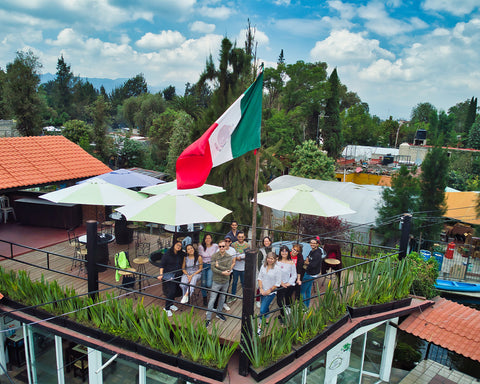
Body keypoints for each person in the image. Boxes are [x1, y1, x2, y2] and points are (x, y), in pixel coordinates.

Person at [205, 240, 232, 327]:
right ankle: (208, 318)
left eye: (223, 246)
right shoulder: (214, 256)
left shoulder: (229, 257)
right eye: (220, 246)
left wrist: (218, 266)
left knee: (222, 298)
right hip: (216, 281)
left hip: (225, 281)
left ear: (226, 247)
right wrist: (222, 272)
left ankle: (219, 313)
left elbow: (228, 268)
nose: (221, 248)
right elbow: (213, 269)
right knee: (212, 299)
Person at [157, 241, 185, 316]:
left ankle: (171, 304)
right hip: (169, 275)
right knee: (171, 291)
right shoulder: (167, 254)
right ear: (174, 245)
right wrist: (161, 274)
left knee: (175, 290)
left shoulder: (180, 254)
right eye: (177, 245)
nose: (178, 246)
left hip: (178, 275)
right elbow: (162, 265)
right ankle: (166, 308)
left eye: (180, 246)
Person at [300, 238, 325, 308]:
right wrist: (307, 262)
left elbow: (313, 265)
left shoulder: (317, 254)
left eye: (314, 243)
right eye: (311, 243)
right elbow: (308, 257)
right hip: (311, 273)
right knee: (308, 290)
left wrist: (307, 263)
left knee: (301, 291)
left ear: (317, 244)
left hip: (310, 274)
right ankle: (307, 306)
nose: (312, 244)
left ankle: (304, 307)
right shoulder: (313, 251)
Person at [258, 252, 281, 321]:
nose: (270, 260)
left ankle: (260, 325)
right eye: (268, 258)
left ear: (274, 260)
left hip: (271, 292)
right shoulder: (263, 266)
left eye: (272, 259)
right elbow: (260, 278)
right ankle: (267, 316)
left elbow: (278, 283)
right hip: (262, 290)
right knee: (265, 306)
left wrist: (270, 290)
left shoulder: (277, 269)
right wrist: (261, 288)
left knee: (262, 310)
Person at [276, 245, 296, 323]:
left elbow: (294, 274)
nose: (284, 253)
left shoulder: (291, 263)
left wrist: (288, 283)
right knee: (279, 301)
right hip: (279, 284)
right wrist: (280, 282)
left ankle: (284, 316)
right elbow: (274, 272)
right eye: (282, 251)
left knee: (287, 300)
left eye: (286, 251)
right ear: (280, 252)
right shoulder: (277, 261)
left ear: (288, 252)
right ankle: (282, 314)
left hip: (287, 285)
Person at [198, 233, 219, 306]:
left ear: (211, 239)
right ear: (204, 239)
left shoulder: (215, 246)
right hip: (203, 265)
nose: (208, 240)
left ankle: (211, 293)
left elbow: (220, 252)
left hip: (211, 265)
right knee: (203, 283)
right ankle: (204, 298)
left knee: (209, 284)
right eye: (206, 238)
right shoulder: (201, 247)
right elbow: (200, 257)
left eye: (209, 238)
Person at [229, 231, 249, 302]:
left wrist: (243, 258)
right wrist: (236, 258)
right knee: (234, 282)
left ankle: (245, 297)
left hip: (243, 267)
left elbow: (249, 256)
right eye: (239, 237)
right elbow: (231, 254)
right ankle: (233, 296)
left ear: (244, 237)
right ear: (237, 237)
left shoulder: (247, 245)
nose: (241, 238)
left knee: (243, 282)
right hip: (235, 267)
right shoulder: (233, 245)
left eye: (242, 237)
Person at [256, 236, 273, 308]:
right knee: (260, 285)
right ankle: (258, 300)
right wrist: (262, 272)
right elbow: (259, 262)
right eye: (265, 241)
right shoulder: (261, 250)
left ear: (270, 242)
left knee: (269, 284)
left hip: (271, 270)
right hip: (262, 270)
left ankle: (268, 298)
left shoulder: (273, 249)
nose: (266, 242)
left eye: (267, 241)